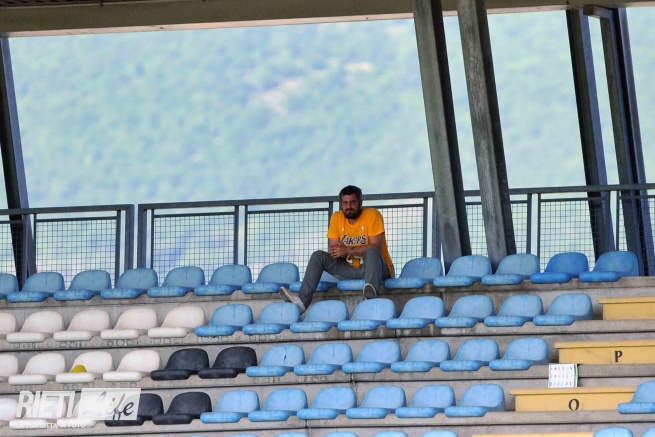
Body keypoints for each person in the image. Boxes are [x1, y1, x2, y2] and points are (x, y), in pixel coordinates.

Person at [280, 185, 394, 313]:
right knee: (318, 256)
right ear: (341, 204)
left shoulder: (372, 215)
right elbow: (334, 249)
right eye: (345, 203)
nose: (349, 206)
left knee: (372, 251)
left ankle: (370, 298)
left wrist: (348, 250)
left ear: (360, 202)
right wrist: (341, 251)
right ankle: (302, 301)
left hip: (375, 269)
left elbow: (375, 245)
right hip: (349, 269)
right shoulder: (336, 217)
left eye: (352, 202)